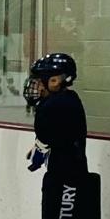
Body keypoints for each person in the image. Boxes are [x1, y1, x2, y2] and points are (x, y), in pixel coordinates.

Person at [25, 53, 87, 181]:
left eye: (40, 82)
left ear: (55, 81)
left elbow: (46, 135)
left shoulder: (55, 104)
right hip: (65, 171)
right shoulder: (68, 98)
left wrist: (40, 148)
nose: (39, 87)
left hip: (68, 177)